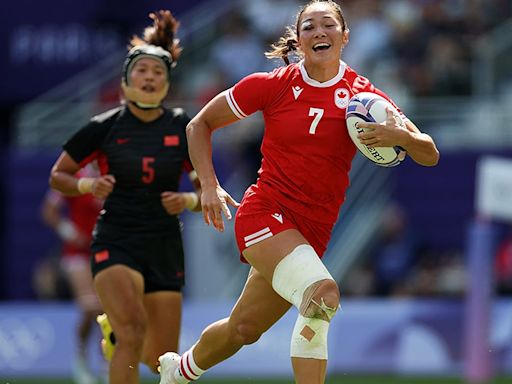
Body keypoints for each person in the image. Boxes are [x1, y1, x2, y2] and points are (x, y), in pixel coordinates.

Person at [158, 1, 439, 383]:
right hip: (264, 213)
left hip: (312, 231)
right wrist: (208, 185)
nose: (319, 32)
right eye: (309, 27)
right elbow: (199, 124)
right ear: (299, 39)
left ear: (345, 36)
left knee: (243, 329)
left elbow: (430, 153)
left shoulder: (364, 98)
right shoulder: (274, 85)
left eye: (328, 25)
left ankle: (179, 371)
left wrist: (399, 135)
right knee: (322, 295)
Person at [48, 10, 201, 384]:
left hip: (164, 244)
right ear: (125, 79)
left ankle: (112, 340)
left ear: (167, 82)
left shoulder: (184, 127)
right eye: (141, 71)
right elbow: (58, 176)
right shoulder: (104, 127)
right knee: (132, 330)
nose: (149, 78)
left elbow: (205, 187)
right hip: (116, 239)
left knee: (159, 359)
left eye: (157, 72)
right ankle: (119, 334)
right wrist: (86, 186)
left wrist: (190, 202)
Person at [41, 163, 104, 384]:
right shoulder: (74, 177)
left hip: (106, 251)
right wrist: (69, 232)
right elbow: (49, 210)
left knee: (107, 311)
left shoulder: (112, 175)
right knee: (89, 306)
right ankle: (81, 358)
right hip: (77, 252)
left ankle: (107, 364)